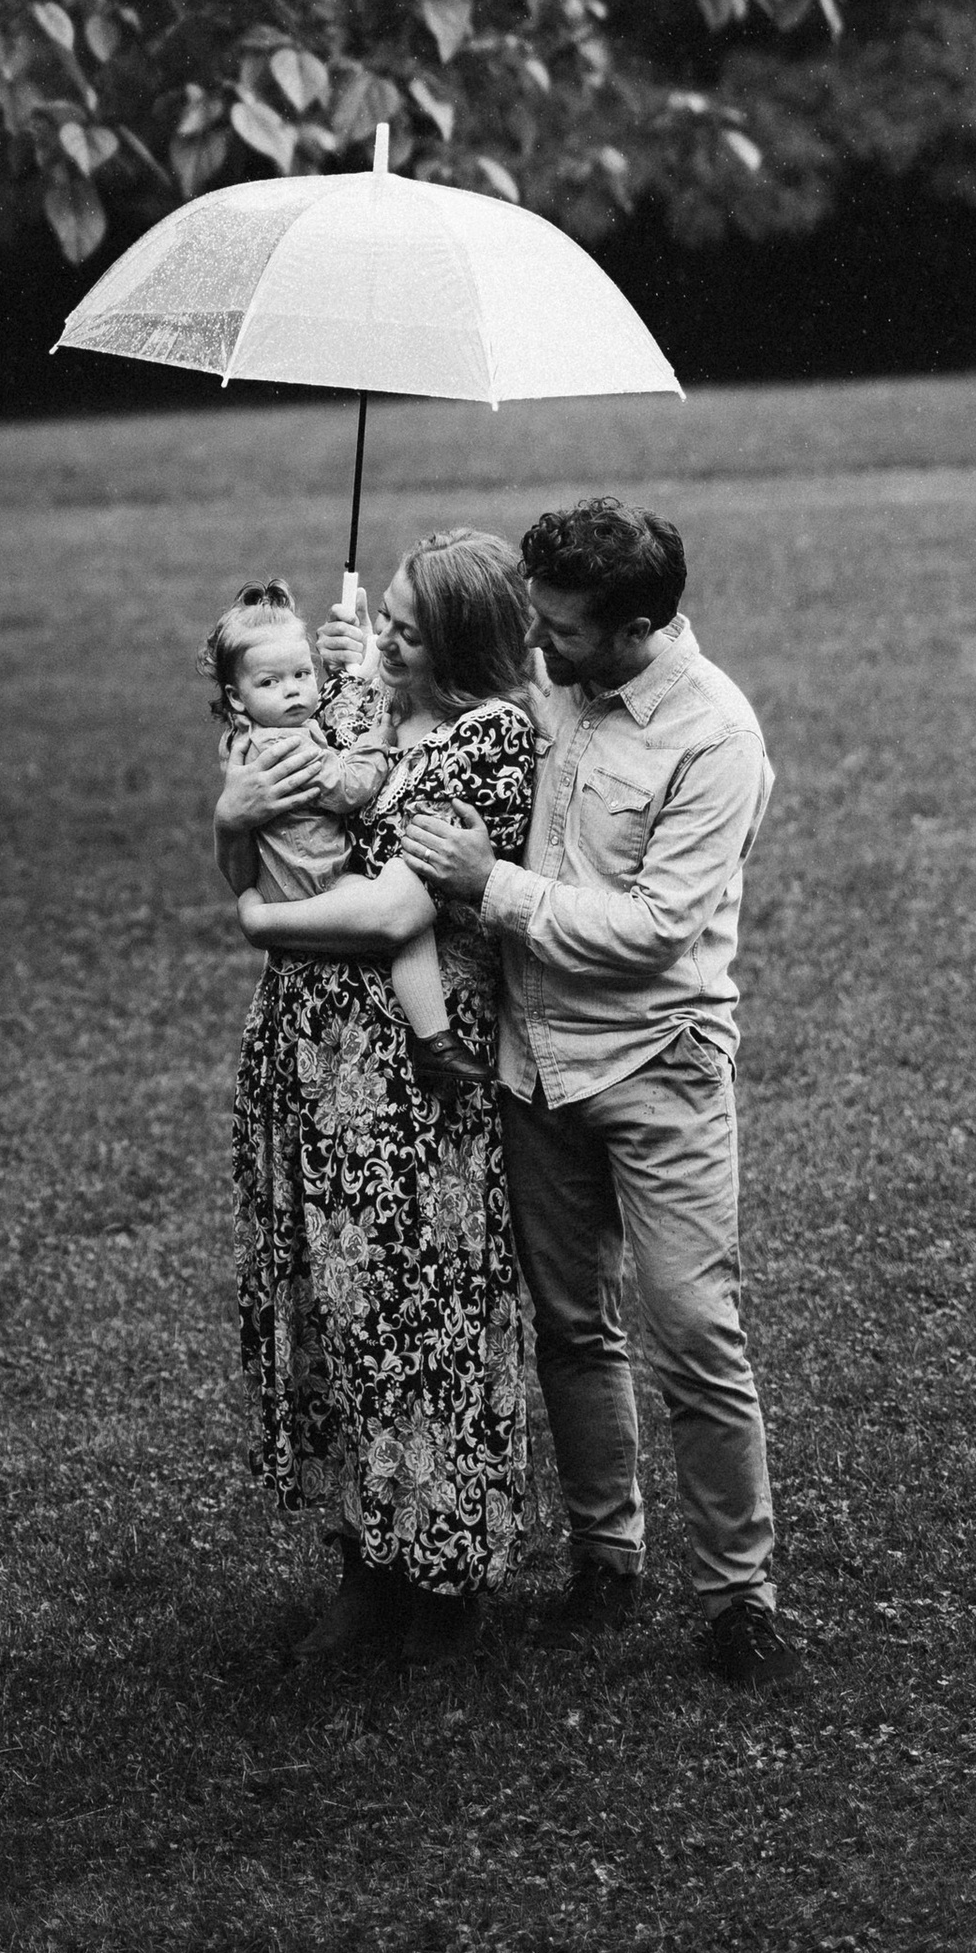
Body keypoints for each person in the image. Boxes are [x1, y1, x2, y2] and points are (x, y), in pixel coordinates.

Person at [398, 497, 796, 1686]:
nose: (540, 648)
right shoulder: (547, 689)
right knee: (574, 1330)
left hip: (656, 1067)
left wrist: (490, 884)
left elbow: (657, 931)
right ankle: (604, 1559)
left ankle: (741, 1597)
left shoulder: (713, 737)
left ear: (634, 626)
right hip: (533, 1065)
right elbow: (434, 714)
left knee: (692, 1335)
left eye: (562, 632)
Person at [216, 528, 541, 1667]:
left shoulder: (492, 739)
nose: (375, 637)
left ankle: (440, 1572)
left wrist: (262, 925)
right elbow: (257, 837)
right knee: (338, 1309)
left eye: (403, 625)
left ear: (452, 640)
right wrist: (227, 827)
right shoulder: (355, 709)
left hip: (409, 1075)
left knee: (421, 1311)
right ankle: (363, 1560)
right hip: (309, 1056)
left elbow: (395, 913)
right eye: (384, 618)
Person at [202, 579, 490, 1103]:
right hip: (317, 882)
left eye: (302, 674)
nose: (293, 690)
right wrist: (375, 746)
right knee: (405, 923)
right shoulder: (287, 747)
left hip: (282, 883)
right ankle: (434, 1037)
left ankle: (435, 1038)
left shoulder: (242, 744)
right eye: (272, 682)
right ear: (236, 696)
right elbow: (347, 789)